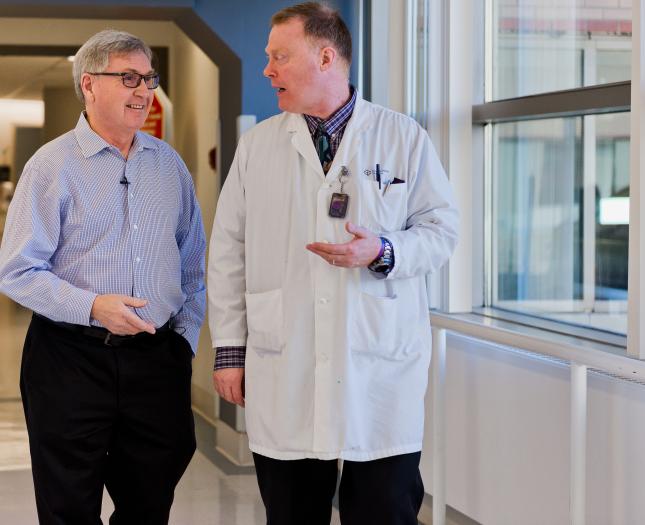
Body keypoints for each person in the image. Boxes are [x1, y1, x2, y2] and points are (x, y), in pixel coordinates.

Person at [208, 2, 459, 524]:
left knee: (384, 510)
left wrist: (383, 251)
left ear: (325, 57)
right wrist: (229, 351)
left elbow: (441, 232)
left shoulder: (403, 137)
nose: (266, 70)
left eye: (279, 56)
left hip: (378, 366)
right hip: (286, 363)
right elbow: (228, 250)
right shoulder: (258, 148)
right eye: (267, 57)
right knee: (292, 511)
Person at [0, 29, 206, 524]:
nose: (144, 90)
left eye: (149, 78)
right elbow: (17, 271)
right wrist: (93, 307)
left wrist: (185, 343)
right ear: (89, 85)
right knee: (68, 505)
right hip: (70, 361)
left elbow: (193, 262)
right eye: (129, 78)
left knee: (150, 503)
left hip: (157, 361)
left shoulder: (168, 165)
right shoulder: (51, 166)